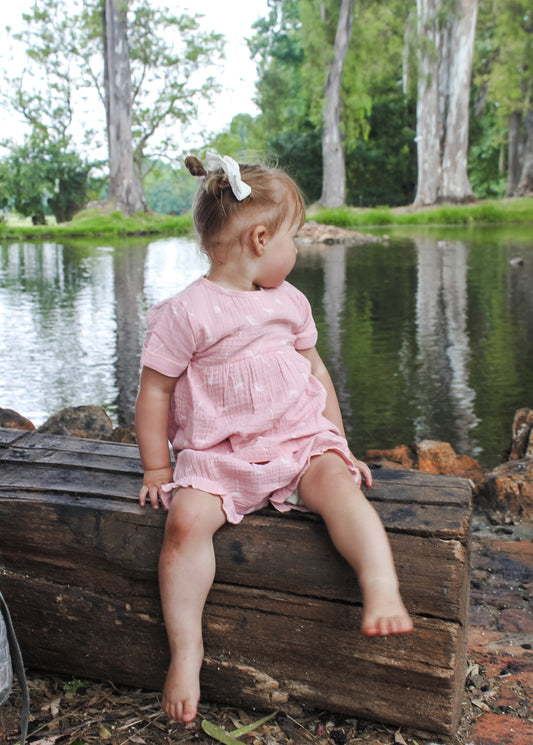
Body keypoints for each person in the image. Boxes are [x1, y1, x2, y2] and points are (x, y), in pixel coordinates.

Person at [135, 152, 413, 725]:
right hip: (219, 454)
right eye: (295, 238)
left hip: (297, 439)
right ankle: (187, 651)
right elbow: (155, 392)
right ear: (260, 239)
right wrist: (158, 469)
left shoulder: (289, 302)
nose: (297, 250)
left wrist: (337, 440)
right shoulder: (187, 313)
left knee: (340, 487)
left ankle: (381, 583)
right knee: (184, 524)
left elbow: (315, 371)